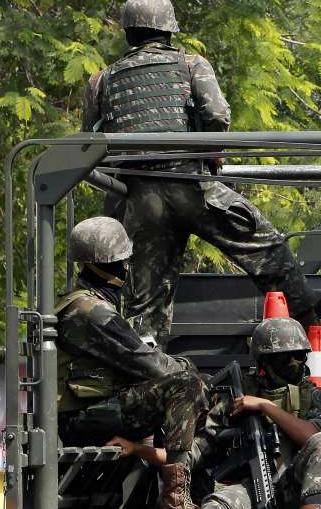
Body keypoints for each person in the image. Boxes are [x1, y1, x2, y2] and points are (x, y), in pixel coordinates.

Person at [82, 0, 316, 343]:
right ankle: (314, 327)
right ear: (169, 31)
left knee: (145, 302)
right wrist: (212, 152)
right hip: (192, 184)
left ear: (128, 33)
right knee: (265, 248)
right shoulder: (192, 65)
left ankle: (149, 372)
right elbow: (217, 115)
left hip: (140, 199)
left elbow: (89, 142)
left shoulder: (101, 80)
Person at [56, 217, 207, 509]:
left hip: (88, 412)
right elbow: (151, 365)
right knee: (187, 386)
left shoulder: (84, 303)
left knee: (185, 383)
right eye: (123, 261)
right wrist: (188, 369)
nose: (127, 268)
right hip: (85, 418)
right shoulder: (94, 312)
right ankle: (176, 497)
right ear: (111, 265)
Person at [123, 316, 321, 509]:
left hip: (299, 483)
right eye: (284, 357)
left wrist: (264, 406)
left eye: (299, 355)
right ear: (264, 361)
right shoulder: (236, 399)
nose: (294, 363)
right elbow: (194, 452)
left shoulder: (318, 396)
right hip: (250, 487)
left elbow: (312, 436)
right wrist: (136, 448)